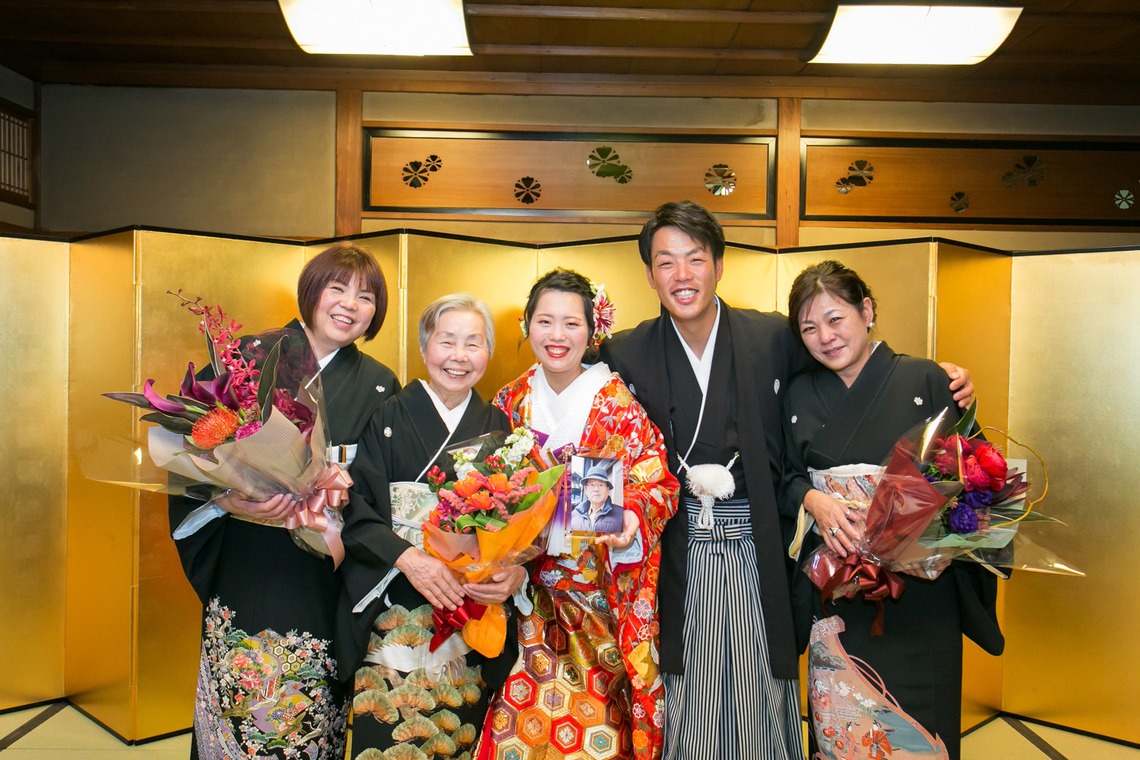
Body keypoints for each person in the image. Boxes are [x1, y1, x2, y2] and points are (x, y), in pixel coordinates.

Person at [598, 201, 975, 760]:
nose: (682, 275)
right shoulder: (625, 350)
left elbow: (847, 373)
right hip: (672, 546)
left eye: (695, 258)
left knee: (760, 681)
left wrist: (942, 381)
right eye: (666, 262)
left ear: (719, 265)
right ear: (649, 273)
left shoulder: (771, 337)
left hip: (757, 541)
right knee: (683, 681)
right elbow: (596, 429)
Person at [169, 243, 399, 759]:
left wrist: (333, 496)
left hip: (323, 570)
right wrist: (231, 500)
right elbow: (200, 443)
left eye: (365, 296)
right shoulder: (248, 358)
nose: (349, 304)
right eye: (337, 288)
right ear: (311, 292)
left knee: (308, 716)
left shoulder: (381, 384)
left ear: (376, 311)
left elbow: (382, 487)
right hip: (246, 560)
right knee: (240, 705)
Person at [781, 260, 1003, 759]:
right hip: (839, 587)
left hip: (923, 590)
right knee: (843, 724)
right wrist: (812, 499)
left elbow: (976, 475)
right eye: (809, 327)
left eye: (836, 319)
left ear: (867, 311)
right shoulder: (797, 392)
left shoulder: (927, 377)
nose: (825, 337)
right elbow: (784, 474)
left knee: (924, 726)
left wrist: (925, 535)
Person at [480, 268, 680, 760]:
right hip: (524, 596)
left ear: (593, 330)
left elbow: (657, 480)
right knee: (514, 734)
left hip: (598, 601)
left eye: (571, 324)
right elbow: (483, 490)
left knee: (599, 737)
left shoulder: (617, 404)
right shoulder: (510, 401)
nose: (557, 336)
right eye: (545, 321)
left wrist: (632, 515)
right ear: (527, 325)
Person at [339, 294, 527, 759]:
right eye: (447, 341)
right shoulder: (385, 418)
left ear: (487, 353)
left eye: (473, 343)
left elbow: (524, 523)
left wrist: (512, 568)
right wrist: (409, 557)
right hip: (395, 596)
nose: (459, 356)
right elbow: (356, 506)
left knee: (458, 733)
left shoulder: (500, 429)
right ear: (425, 349)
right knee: (388, 734)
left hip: (469, 608)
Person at [570, 463, 624, 533]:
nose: (596, 489)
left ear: (607, 490)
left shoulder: (621, 514)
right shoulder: (574, 515)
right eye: (592, 485)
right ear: (586, 489)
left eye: (600, 485)